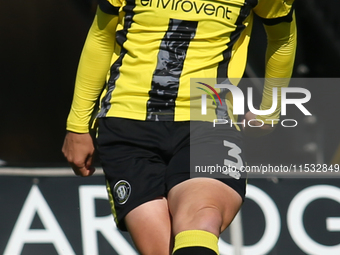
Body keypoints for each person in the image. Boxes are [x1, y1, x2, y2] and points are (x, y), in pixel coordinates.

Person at [62, 0, 296, 253]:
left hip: (208, 126)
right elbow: (101, 36)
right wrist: (77, 126)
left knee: (201, 219)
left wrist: (271, 109)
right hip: (127, 126)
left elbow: (283, 38)